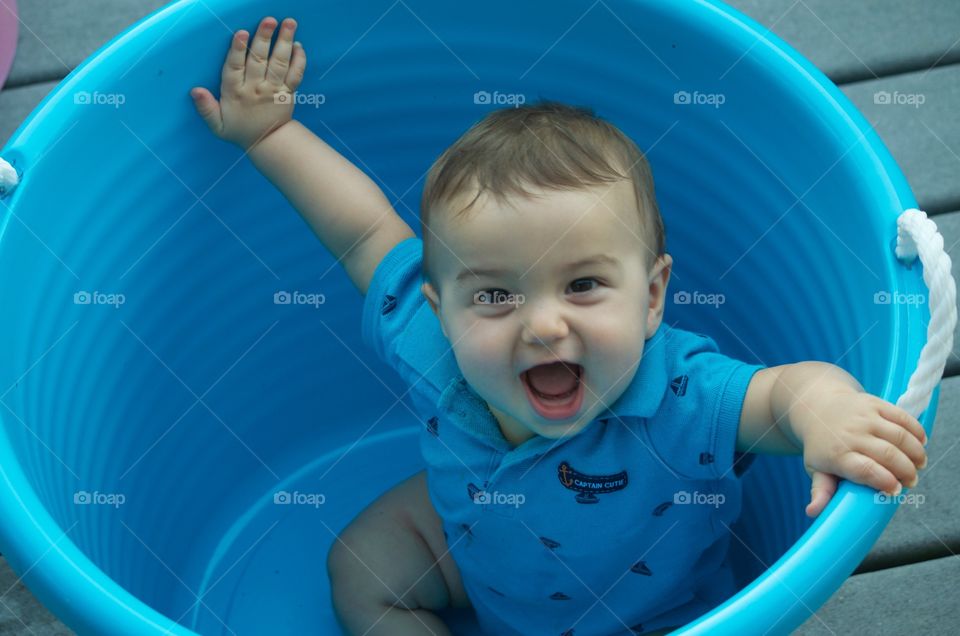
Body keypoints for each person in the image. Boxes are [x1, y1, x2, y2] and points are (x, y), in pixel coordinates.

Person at [190, 16, 929, 636]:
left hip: (663, 613)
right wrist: (269, 136)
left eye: (582, 285)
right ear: (438, 306)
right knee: (360, 568)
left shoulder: (680, 395)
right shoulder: (430, 346)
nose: (543, 325)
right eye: (494, 297)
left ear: (651, 297)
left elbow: (783, 394)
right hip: (480, 556)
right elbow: (363, 234)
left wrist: (829, 411)